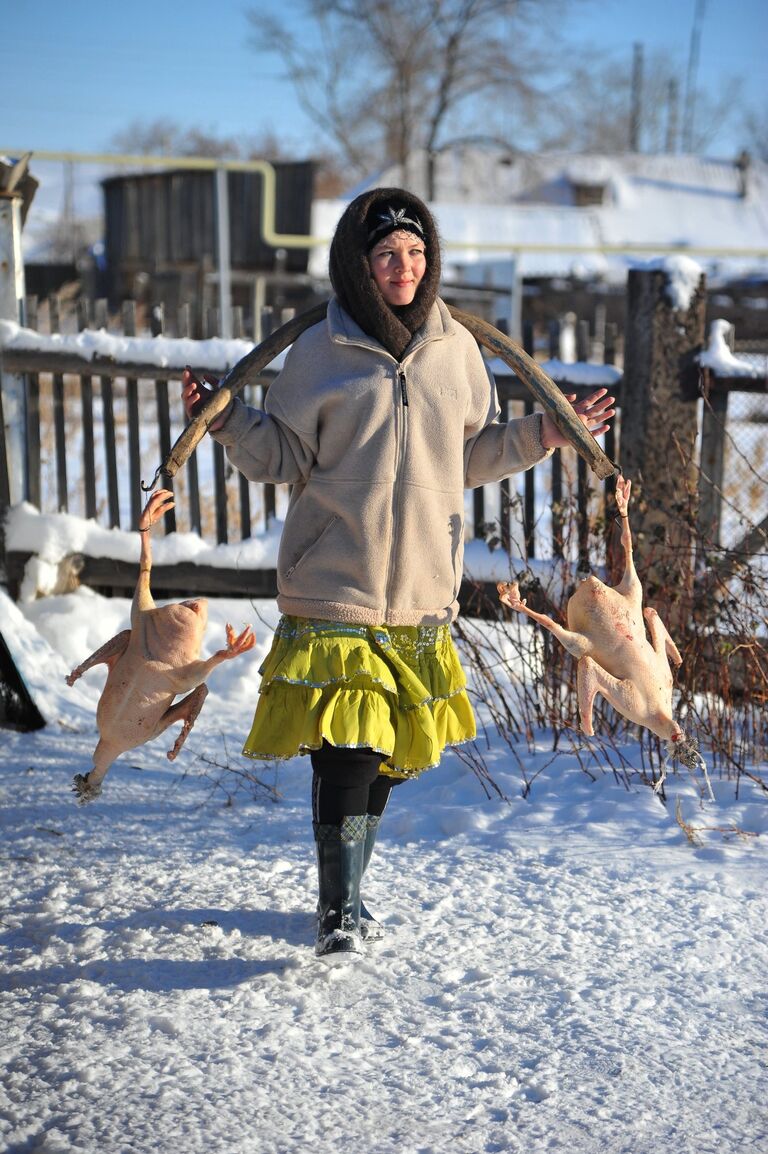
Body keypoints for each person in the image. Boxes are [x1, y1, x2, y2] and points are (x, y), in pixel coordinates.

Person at [181, 187, 614, 959]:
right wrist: (228, 422)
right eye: (387, 255)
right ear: (359, 263)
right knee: (345, 747)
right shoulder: (319, 348)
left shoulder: (457, 348)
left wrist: (544, 431)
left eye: (415, 253)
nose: (404, 268)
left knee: (387, 756)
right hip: (334, 585)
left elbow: (470, 453)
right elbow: (285, 456)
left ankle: (350, 889)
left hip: (421, 590)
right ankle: (337, 908)